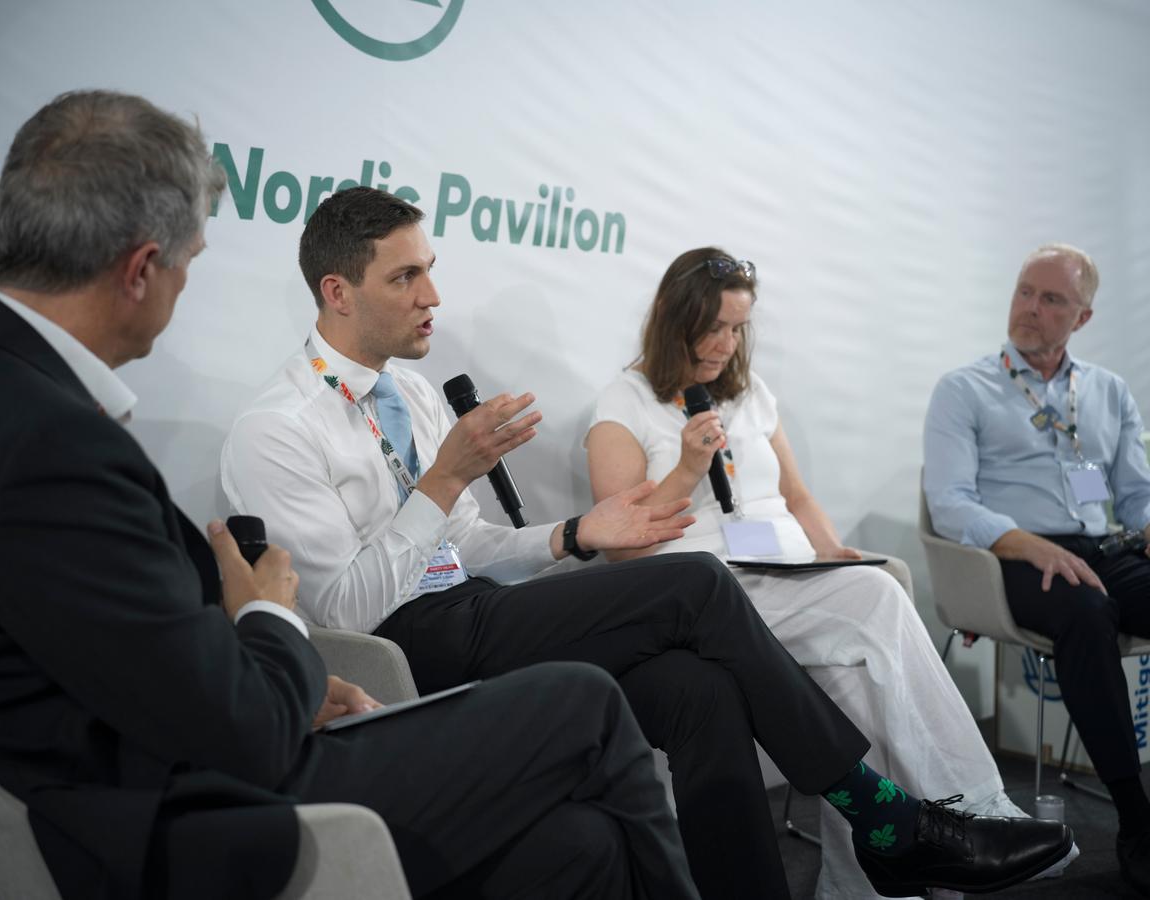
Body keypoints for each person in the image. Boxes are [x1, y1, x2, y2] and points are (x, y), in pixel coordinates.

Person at [0, 90, 707, 900]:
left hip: (209, 745)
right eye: (189, 264)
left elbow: (126, 653)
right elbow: (237, 709)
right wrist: (277, 623)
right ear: (142, 268)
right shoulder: (56, 443)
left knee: (580, 844)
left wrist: (290, 672)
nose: (430, 298)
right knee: (584, 701)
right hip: (186, 812)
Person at [221, 185, 1074, 899]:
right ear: (338, 292)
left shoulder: (412, 392)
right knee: (698, 583)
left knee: (700, 689)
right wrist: (443, 478)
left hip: (477, 607)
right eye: (406, 277)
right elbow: (337, 612)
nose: (433, 297)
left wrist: (572, 536)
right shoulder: (276, 429)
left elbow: (470, 544)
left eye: (430, 271)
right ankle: (886, 817)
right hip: (404, 646)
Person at [583, 246, 1080, 898]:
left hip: (784, 575)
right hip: (702, 588)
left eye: (736, 328)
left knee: (856, 687)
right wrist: (684, 470)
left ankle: (861, 890)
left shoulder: (750, 393)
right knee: (874, 597)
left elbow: (795, 495)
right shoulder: (625, 402)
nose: (724, 344)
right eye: (712, 327)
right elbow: (620, 548)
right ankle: (979, 810)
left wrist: (833, 549)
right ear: (672, 319)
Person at [924, 243, 1150, 895]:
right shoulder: (964, 388)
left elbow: (1135, 495)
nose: (1031, 308)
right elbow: (949, 503)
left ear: (1081, 318)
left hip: (1105, 546)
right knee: (1086, 612)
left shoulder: (1107, 390)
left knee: (1101, 590)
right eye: (1026, 291)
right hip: (1012, 558)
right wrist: (1028, 543)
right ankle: (1136, 816)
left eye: (1052, 299)